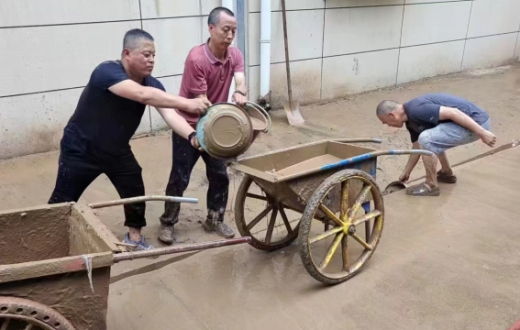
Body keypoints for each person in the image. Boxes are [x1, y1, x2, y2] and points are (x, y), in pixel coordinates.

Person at [48, 29, 211, 250]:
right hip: (80, 149)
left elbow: (170, 114)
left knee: (134, 186)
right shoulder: (106, 72)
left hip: (116, 150)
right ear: (127, 53)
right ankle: (48, 242)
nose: (152, 59)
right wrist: (187, 103)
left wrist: (192, 136)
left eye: (154, 55)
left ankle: (134, 238)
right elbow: (140, 94)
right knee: (63, 201)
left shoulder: (153, 85)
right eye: (146, 54)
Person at [159, 7, 247, 244]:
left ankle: (215, 219)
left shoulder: (234, 55)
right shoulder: (197, 58)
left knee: (220, 175)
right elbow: (202, 103)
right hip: (187, 126)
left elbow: (240, 78)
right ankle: (168, 223)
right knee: (179, 177)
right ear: (211, 28)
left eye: (234, 31)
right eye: (225, 29)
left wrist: (240, 90)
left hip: (215, 127)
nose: (230, 35)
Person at [376, 93, 496, 196]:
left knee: (427, 138)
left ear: (391, 115)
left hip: (477, 123)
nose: (388, 125)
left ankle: (431, 185)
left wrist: (482, 132)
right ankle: (446, 172)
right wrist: (406, 172)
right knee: (430, 138)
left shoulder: (416, 109)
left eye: (385, 122)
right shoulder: (410, 121)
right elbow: (417, 146)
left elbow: (453, 112)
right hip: (472, 123)